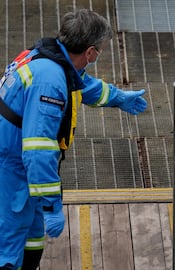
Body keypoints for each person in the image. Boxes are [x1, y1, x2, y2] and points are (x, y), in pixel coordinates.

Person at [0, 9, 147, 269]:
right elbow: (38, 150)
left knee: (31, 240)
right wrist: (52, 204)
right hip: (12, 173)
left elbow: (81, 84)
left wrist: (118, 97)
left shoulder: (45, 57)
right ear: (90, 52)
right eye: (100, 51)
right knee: (8, 250)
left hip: (19, 169)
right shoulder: (50, 81)